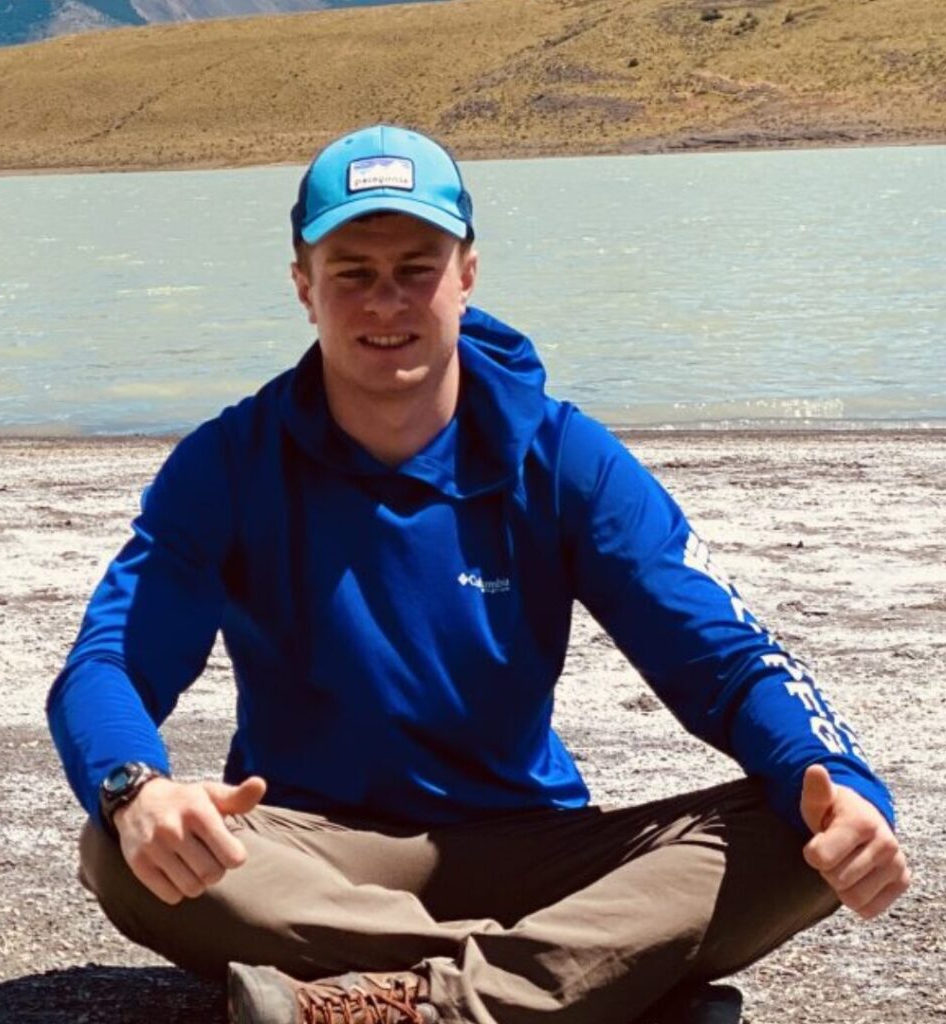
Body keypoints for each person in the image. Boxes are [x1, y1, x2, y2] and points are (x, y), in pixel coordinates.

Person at [47, 124, 909, 1024]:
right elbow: (107, 665)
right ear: (304, 286)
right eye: (353, 272)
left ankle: (418, 1003)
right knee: (121, 850)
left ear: (467, 274)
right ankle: (583, 982)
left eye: (416, 268)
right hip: (309, 854)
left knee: (803, 829)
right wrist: (134, 787)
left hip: (532, 848)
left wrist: (837, 777)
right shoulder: (230, 462)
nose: (386, 302)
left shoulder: (563, 456)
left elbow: (726, 663)